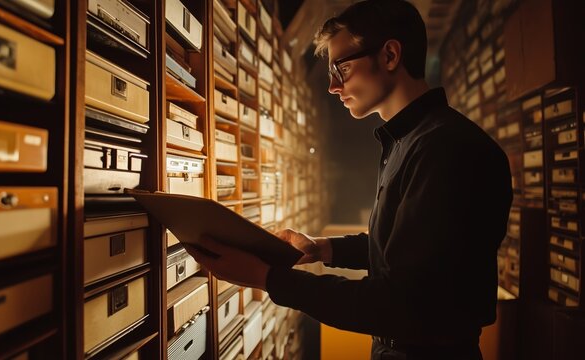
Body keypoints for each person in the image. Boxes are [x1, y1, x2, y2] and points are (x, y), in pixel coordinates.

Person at [184, 0, 513, 359]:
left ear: (389, 55)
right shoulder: (411, 140)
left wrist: (267, 278)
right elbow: (407, 253)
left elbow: (399, 303)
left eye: (341, 68)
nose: (332, 86)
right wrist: (324, 248)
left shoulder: (446, 149)